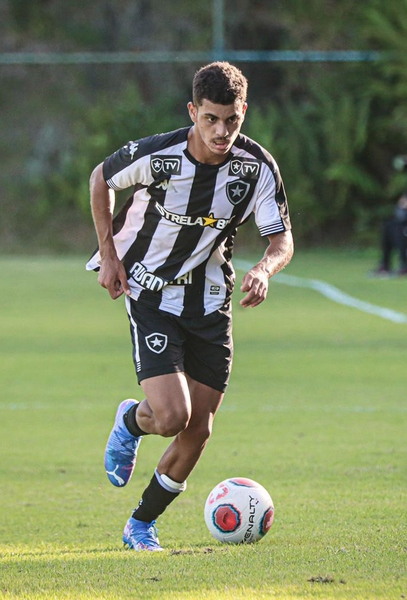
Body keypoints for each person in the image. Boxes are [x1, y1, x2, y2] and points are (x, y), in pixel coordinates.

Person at [86, 62, 294, 551]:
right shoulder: (161, 155)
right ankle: (132, 421)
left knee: (199, 429)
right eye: (210, 119)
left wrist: (264, 269)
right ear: (192, 112)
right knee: (171, 416)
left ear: (243, 112)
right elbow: (101, 179)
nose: (221, 132)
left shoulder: (256, 168)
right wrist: (110, 257)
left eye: (231, 120)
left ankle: (141, 525)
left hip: (210, 302)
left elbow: (281, 240)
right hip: (151, 291)